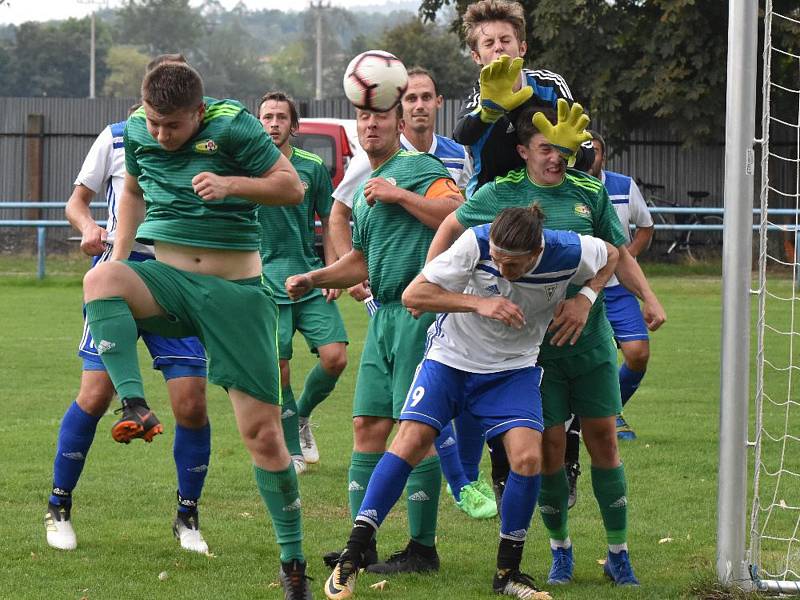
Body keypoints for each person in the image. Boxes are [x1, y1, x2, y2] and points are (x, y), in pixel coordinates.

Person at [81, 63, 313, 599]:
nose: (161, 135)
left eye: (174, 126)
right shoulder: (136, 129)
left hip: (235, 295)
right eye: (155, 123)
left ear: (199, 113)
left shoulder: (232, 126)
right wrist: (120, 260)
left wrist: (232, 183)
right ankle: (135, 406)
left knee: (263, 436)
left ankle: (293, 562)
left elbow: (291, 187)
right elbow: (134, 192)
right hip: (169, 281)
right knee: (102, 280)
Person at [320, 205, 618, 600]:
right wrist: (479, 303)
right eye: (495, 258)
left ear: (536, 253)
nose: (499, 268)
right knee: (410, 441)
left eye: (511, 264)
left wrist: (585, 297)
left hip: (512, 371)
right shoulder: (475, 242)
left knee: (528, 459)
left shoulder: (571, 251)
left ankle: (507, 573)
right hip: (450, 361)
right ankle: (353, 555)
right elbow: (415, 293)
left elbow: (612, 254)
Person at [428, 104, 667, 587]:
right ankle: (560, 550)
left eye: (564, 150)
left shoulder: (589, 192)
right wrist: (433, 287)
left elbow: (615, 251)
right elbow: (451, 227)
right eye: (546, 149)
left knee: (603, 441)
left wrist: (640, 296)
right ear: (523, 151)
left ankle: (619, 552)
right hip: (534, 353)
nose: (557, 158)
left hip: (590, 341)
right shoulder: (501, 192)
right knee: (552, 449)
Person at [285, 102, 463, 577]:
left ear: (399, 126)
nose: (371, 125)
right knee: (367, 425)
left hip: (419, 313)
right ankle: (361, 546)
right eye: (364, 118)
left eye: (381, 117)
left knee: (415, 430)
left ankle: (423, 548)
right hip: (383, 317)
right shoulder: (366, 187)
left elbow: (458, 211)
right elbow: (362, 260)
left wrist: (401, 194)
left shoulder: (421, 168)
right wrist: (316, 275)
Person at [45, 55, 212, 556]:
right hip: (119, 278)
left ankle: (187, 518)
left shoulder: (206, 144)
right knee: (94, 395)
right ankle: (59, 505)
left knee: (191, 402)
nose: (163, 126)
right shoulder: (116, 137)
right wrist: (89, 227)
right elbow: (77, 201)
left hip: (176, 283)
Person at [327, 67, 472, 310]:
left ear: (439, 102)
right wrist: (351, 271)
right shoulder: (374, 156)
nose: (419, 105)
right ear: (400, 107)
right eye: (411, 98)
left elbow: (464, 213)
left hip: (441, 284)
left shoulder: (458, 155)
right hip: (390, 291)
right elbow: (338, 214)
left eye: (426, 97)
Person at [257, 91, 348, 475]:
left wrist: (331, 272)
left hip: (308, 278)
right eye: (267, 117)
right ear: (257, 123)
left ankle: (302, 415)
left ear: (294, 126)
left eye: (281, 117)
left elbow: (330, 222)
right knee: (279, 372)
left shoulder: (311, 167)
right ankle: (292, 450)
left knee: (336, 357)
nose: (274, 123)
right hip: (263, 285)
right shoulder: (246, 168)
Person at [564, 131, 655, 507]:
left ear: (603, 153)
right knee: (574, 362)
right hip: (575, 292)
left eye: (596, 149)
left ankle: (610, 411)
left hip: (615, 288)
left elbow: (643, 228)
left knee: (637, 353)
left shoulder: (619, 187)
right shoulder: (564, 188)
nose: (590, 154)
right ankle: (589, 423)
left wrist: (626, 258)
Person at [452, 0, 593, 198]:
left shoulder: (550, 85)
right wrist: (488, 112)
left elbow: (588, 156)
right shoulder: (479, 99)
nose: (498, 48)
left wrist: (570, 152)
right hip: (492, 205)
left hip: (550, 200)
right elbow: (461, 135)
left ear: (522, 48)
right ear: (476, 56)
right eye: (489, 43)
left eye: (505, 40)